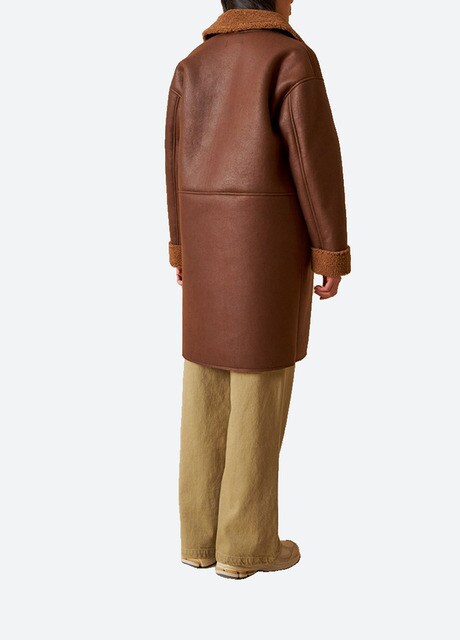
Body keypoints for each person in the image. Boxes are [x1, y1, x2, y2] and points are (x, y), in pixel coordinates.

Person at [164, 0, 351, 579]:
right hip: (264, 250)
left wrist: (181, 246)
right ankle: (246, 546)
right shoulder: (290, 59)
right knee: (260, 389)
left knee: (205, 384)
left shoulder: (192, 65)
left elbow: (172, 162)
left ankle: (199, 538)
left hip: (205, 244)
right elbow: (314, 165)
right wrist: (330, 251)